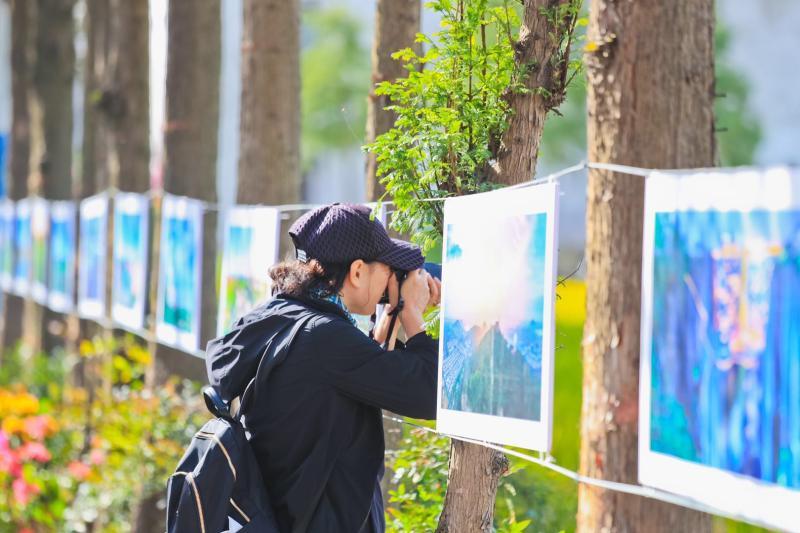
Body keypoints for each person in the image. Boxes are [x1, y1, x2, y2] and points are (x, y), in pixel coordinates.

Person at [206, 203, 441, 533]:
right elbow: (430, 394)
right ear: (357, 272)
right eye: (389, 268)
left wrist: (388, 320)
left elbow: (348, 382)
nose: (393, 278)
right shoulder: (326, 339)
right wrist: (414, 317)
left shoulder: (277, 316)